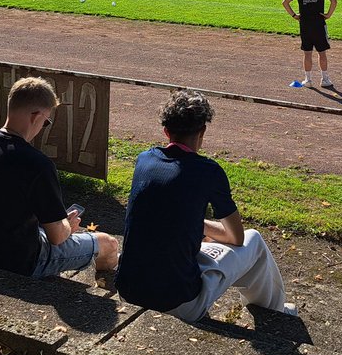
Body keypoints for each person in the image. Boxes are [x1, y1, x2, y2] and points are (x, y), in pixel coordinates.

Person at [116, 90, 295, 321]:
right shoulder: (209, 171)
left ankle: (272, 310)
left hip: (128, 290)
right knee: (255, 241)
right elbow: (236, 238)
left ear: (166, 131)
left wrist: (191, 223)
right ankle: (275, 313)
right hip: (180, 303)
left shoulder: (144, 159)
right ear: (202, 131)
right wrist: (201, 226)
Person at [0, 77, 119, 279]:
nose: (43, 126)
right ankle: (105, 289)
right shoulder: (37, 163)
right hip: (19, 259)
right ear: (36, 116)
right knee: (109, 244)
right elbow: (57, 238)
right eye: (46, 121)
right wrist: (67, 227)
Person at [282, 0, 337, 87]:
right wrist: (328, 15)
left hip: (305, 24)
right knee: (322, 52)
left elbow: (285, 2)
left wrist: (294, 15)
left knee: (307, 53)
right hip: (319, 24)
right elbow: (334, 1)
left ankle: (308, 80)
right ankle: (325, 79)